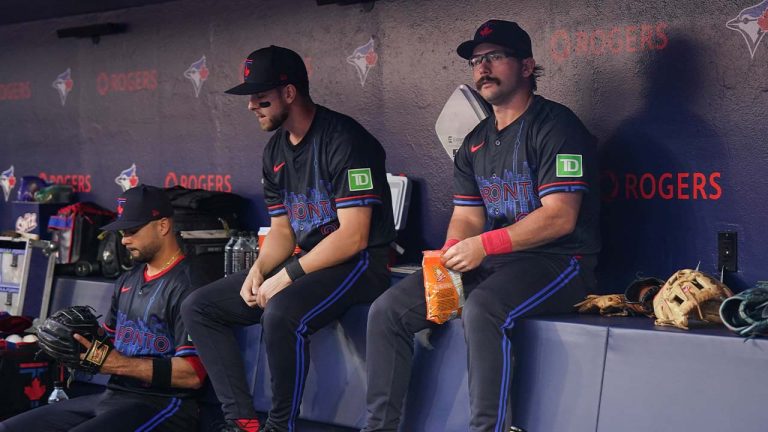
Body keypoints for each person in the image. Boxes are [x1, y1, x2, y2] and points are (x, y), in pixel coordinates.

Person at [363, 20, 600, 432]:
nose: (482, 69)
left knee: (483, 308)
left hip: (561, 262)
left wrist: (483, 247)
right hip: (496, 261)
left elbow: (561, 216)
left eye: (494, 57)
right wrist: (453, 252)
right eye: (476, 61)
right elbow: (469, 215)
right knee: (388, 311)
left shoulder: (556, 126)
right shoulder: (474, 141)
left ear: (527, 67)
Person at [181, 45, 396, 432]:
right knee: (200, 306)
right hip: (311, 259)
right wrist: (260, 269)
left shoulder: (345, 139)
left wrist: (287, 276)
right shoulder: (275, 151)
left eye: (260, 97)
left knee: (281, 312)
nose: (251, 107)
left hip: (361, 264)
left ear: (290, 93)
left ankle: (279, 427)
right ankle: (242, 421)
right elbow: (282, 229)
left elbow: (354, 237)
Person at [0, 184, 207, 432]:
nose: (124, 240)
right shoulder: (127, 281)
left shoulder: (191, 285)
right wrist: (75, 342)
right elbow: (107, 343)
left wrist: (115, 364)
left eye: (132, 230)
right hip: (114, 396)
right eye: (121, 232)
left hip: (166, 404)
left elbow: (192, 375)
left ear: (163, 226)